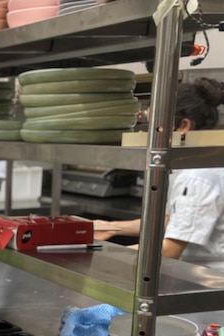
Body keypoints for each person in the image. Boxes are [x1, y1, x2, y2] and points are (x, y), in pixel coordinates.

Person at [95, 77, 224, 269]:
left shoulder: (197, 177)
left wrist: (100, 256)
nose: (151, 132)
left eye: (158, 125)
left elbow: (170, 250)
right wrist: (112, 228)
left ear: (184, 126)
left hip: (208, 281)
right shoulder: (189, 164)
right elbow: (170, 219)